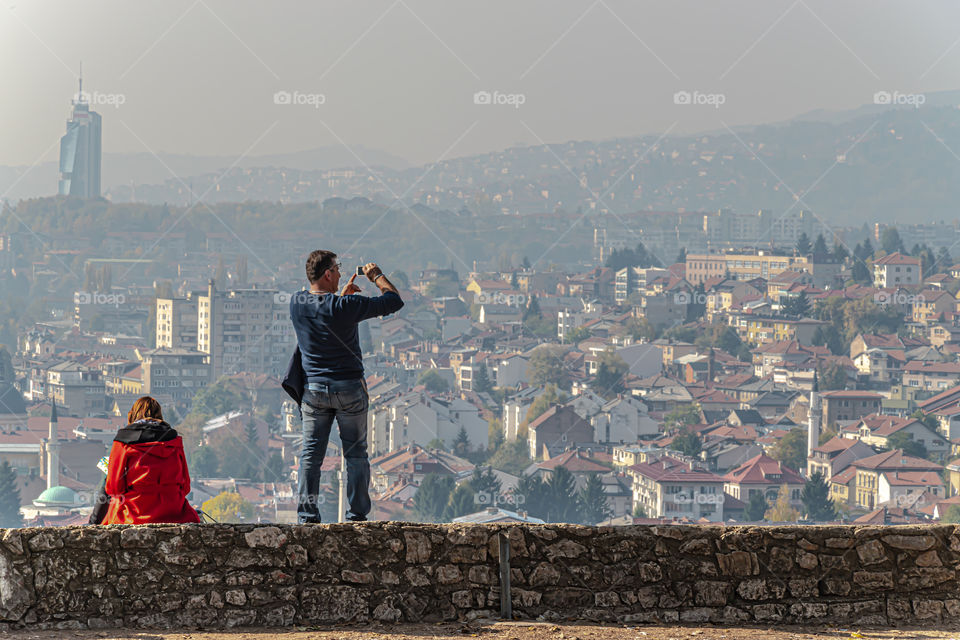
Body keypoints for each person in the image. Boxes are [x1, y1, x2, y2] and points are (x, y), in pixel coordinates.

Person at [286, 250, 403, 523]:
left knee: (311, 455)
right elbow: (393, 301)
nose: (340, 273)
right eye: (337, 269)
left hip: (314, 391)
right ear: (327, 274)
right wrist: (377, 276)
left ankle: (307, 516)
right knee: (356, 454)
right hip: (349, 388)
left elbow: (323, 311)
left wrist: (340, 299)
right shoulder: (346, 307)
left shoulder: (297, 302)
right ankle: (356, 516)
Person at [89, 396, 200, 525]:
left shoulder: (123, 441)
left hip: (134, 514)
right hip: (174, 513)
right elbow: (185, 486)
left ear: (133, 415)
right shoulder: (174, 441)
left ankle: (92, 524)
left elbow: (113, 488)